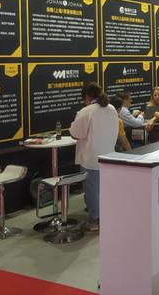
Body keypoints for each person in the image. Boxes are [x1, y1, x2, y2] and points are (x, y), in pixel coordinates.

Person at [69, 82, 118, 232]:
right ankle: (106, 216)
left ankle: (95, 219)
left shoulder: (86, 111)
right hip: (109, 155)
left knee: (92, 191)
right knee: (105, 189)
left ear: (87, 97)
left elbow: (75, 134)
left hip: (91, 158)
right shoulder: (111, 108)